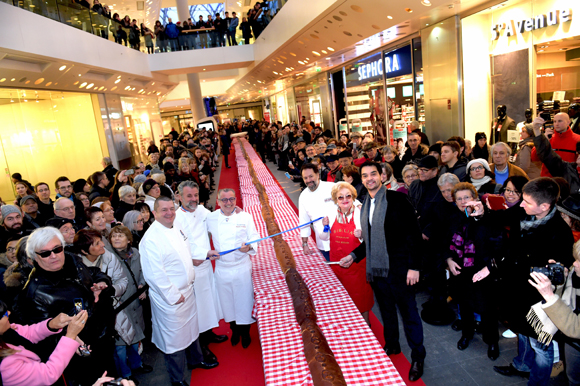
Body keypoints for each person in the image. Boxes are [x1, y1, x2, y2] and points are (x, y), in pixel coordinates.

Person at [341, 161, 425, 381]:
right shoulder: (365, 204)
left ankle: (418, 356)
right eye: (365, 175)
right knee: (387, 311)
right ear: (361, 179)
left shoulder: (397, 200)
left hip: (400, 269)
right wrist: (353, 256)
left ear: (382, 175)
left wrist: (414, 267)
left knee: (409, 314)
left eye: (374, 174)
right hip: (378, 270)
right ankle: (393, 345)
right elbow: (370, 241)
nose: (370, 178)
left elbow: (415, 235)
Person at [488, 178, 574, 384]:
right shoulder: (522, 211)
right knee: (522, 332)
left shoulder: (560, 232)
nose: (520, 204)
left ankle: (537, 381)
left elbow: (562, 272)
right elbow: (499, 219)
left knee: (540, 345)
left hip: (539, 298)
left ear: (544, 206)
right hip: (517, 288)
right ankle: (522, 365)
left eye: (526, 201)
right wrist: (479, 213)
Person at [11, 227, 114, 384]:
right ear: (33, 259)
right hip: (78, 356)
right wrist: (71, 339)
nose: (54, 256)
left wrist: (101, 282)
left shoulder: (72, 260)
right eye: (45, 253)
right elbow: (41, 337)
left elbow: (92, 272)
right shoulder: (35, 293)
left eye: (57, 249)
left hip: (102, 337)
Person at [140, 196, 212, 386]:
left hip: (187, 291)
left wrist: (203, 254)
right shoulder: (151, 240)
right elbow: (155, 276)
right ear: (154, 213)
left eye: (171, 208)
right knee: (174, 342)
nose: (169, 213)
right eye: (164, 210)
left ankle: (196, 360)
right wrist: (173, 296)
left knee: (192, 330)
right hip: (170, 300)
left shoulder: (177, 225)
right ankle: (177, 379)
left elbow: (187, 249)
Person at [446, 182, 501, 360]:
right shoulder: (453, 218)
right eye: (459, 198)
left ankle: (492, 341)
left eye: (466, 197)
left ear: (475, 198)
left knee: (487, 310)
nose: (463, 202)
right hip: (461, 271)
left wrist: (489, 268)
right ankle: (466, 334)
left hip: (482, 271)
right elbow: (445, 244)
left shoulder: (488, 217)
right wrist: (448, 260)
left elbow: (499, 246)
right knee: (464, 305)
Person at [174, 181, 226, 362]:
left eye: (195, 195)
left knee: (208, 302)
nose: (193, 199)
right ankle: (200, 346)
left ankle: (208, 332)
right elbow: (185, 243)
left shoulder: (202, 211)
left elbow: (217, 218)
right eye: (189, 196)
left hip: (205, 267)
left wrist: (235, 213)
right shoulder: (176, 218)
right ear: (178, 196)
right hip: (191, 269)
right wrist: (204, 253)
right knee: (197, 308)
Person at [207, 189, 259, 348]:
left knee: (244, 301)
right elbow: (201, 237)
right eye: (224, 200)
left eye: (231, 199)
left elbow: (255, 236)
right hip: (222, 269)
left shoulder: (245, 217)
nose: (228, 203)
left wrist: (249, 246)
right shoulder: (210, 218)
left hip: (241, 267)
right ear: (218, 201)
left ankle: (245, 332)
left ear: (236, 200)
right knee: (227, 302)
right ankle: (234, 330)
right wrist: (207, 252)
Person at [319, 182, 373, 324]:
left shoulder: (360, 211)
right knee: (341, 297)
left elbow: (370, 239)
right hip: (337, 264)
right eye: (340, 197)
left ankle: (366, 325)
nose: (344, 200)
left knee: (361, 296)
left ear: (353, 197)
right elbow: (323, 237)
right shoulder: (330, 213)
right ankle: (348, 323)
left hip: (357, 265)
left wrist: (361, 234)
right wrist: (325, 227)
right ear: (336, 199)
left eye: (348, 196)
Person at [0, 300, 89, 386]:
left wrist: (51, 324)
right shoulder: (5, 368)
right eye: (4, 314)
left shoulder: (6, 331)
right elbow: (49, 374)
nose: (9, 313)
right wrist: (70, 336)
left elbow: (28, 333)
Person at [528, 241, 580, 386]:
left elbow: (576, 328)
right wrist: (561, 278)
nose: (574, 264)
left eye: (579, 261)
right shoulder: (575, 273)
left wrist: (549, 297)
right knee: (573, 377)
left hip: (574, 335)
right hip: (573, 344)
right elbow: (566, 300)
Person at [107, 225, 153, 381]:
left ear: (128, 239)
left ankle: (136, 364)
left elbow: (143, 272)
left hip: (135, 302)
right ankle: (126, 375)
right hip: (119, 305)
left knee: (135, 337)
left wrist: (142, 286)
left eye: (120, 235)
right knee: (120, 345)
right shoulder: (108, 257)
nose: (117, 238)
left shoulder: (136, 253)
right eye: (114, 236)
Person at [298, 163, 337, 261]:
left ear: (318, 174)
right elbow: (304, 222)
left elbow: (352, 200)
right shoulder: (303, 196)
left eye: (311, 176)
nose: (308, 180)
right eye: (305, 178)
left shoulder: (333, 187)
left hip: (341, 239)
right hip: (322, 243)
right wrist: (305, 244)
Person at [531, 112, 580, 178]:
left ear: (568, 122)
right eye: (554, 121)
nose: (556, 124)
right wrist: (543, 140)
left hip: (569, 180)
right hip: (548, 180)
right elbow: (534, 157)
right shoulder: (548, 138)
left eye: (560, 121)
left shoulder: (577, 139)